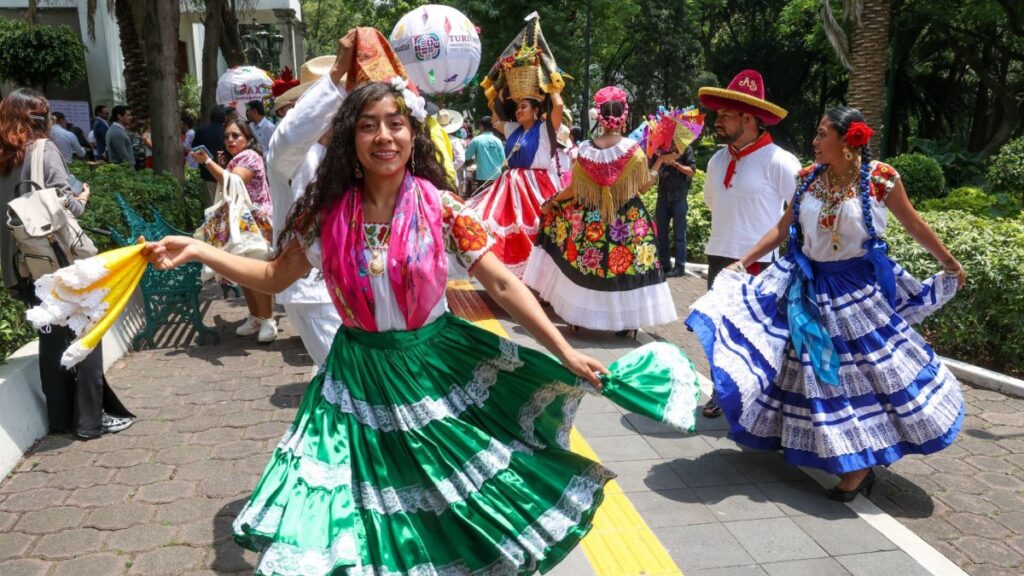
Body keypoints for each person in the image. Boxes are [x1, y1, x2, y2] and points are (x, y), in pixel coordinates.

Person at [144, 71, 696, 576]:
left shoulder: (442, 207)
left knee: (444, 499)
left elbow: (502, 284)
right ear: (350, 141)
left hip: (432, 373)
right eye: (368, 126)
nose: (384, 136)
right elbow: (269, 275)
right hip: (353, 379)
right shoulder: (326, 213)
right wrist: (197, 250)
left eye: (395, 124)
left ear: (413, 135)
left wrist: (562, 351)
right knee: (354, 509)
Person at [686, 107, 967, 501]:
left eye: (821, 134)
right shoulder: (807, 179)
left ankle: (860, 465)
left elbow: (914, 224)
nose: (814, 142)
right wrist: (743, 261)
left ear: (847, 141)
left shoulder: (880, 180)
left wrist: (949, 263)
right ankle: (831, 449)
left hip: (856, 293)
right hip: (808, 287)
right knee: (806, 372)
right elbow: (782, 230)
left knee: (863, 374)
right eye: (816, 135)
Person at [0, 88, 134, 439]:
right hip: (59, 265)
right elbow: (67, 207)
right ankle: (92, 421)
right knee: (86, 336)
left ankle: (59, 419)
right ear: (38, 117)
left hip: (24, 267)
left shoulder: (3, 158)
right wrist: (84, 195)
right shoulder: (43, 150)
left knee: (50, 341)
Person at [523, 86, 677, 336]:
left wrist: (551, 200)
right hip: (626, 221)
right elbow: (644, 187)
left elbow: (573, 189)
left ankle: (577, 316)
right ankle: (625, 322)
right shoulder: (634, 152)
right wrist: (659, 163)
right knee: (623, 267)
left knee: (586, 264)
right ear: (624, 117)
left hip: (590, 220)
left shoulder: (584, 150)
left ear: (600, 118)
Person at [697, 69, 801, 418]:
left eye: (725, 115)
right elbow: (713, 202)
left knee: (755, 336)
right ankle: (721, 393)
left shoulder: (780, 161)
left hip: (761, 263)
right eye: (719, 114)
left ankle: (757, 403)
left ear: (748, 117)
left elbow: (799, 213)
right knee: (719, 331)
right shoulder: (716, 160)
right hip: (719, 256)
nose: (718, 120)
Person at [265, 49, 346, 368]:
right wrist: (339, 72)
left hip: (351, 285)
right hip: (315, 290)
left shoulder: (345, 151)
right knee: (344, 375)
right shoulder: (289, 150)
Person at [192, 118, 277, 343]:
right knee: (244, 274)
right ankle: (256, 316)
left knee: (258, 273)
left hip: (256, 224)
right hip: (241, 225)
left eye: (236, 135)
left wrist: (208, 162)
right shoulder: (237, 159)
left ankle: (268, 319)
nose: (230, 139)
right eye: (227, 136)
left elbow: (234, 183)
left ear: (248, 139)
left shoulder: (250, 156)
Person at [467, 91, 565, 278]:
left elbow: (558, 106)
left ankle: (539, 278)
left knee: (538, 227)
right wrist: (500, 96)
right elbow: (496, 122)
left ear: (536, 110)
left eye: (524, 107)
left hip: (536, 186)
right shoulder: (514, 129)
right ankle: (515, 278)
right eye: (517, 107)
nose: (519, 111)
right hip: (509, 187)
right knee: (498, 223)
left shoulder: (545, 128)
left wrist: (552, 87)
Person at [654, 143, 697, 277]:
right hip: (663, 196)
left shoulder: (685, 148)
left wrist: (675, 164)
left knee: (680, 235)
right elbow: (651, 170)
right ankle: (665, 265)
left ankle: (680, 267)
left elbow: (692, 171)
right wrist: (660, 159)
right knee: (661, 234)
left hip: (679, 197)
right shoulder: (659, 149)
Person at [191, 104, 228, 208]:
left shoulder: (201, 131)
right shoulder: (228, 133)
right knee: (226, 206)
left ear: (210, 117)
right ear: (224, 118)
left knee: (211, 207)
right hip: (225, 174)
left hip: (208, 173)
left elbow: (195, 149)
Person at [463, 116, 505, 196]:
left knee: (483, 201)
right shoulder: (498, 140)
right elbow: (503, 160)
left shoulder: (476, 140)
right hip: (497, 176)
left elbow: (466, 156)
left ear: (481, 126)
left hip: (482, 177)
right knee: (495, 200)